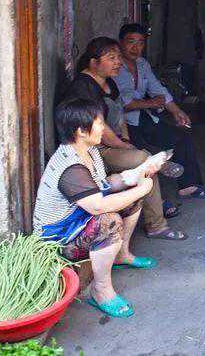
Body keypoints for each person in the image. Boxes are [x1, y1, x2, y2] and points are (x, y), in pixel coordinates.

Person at [33, 98, 161, 318]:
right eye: (99, 123)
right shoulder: (70, 167)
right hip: (59, 238)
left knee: (131, 196)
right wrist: (141, 189)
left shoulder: (89, 152)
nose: (104, 128)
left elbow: (104, 185)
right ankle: (100, 290)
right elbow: (97, 206)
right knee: (109, 221)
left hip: (77, 220)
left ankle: (121, 255)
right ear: (81, 131)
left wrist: (135, 175)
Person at [65, 37, 186, 240]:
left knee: (144, 161)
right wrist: (122, 145)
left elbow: (119, 113)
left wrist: (126, 140)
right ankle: (156, 223)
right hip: (94, 148)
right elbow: (99, 127)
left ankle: (156, 214)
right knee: (143, 160)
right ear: (93, 62)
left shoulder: (109, 83)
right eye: (111, 58)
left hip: (114, 144)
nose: (118, 63)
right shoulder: (82, 87)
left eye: (118, 57)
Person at [115, 24, 205, 199]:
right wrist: (151, 103)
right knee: (143, 154)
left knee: (181, 138)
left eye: (140, 43)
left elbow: (157, 88)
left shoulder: (142, 64)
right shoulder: (115, 66)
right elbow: (123, 102)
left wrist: (176, 111)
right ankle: (156, 203)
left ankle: (188, 186)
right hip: (122, 124)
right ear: (120, 43)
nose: (135, 48)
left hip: (142, 118)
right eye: (131, 42)